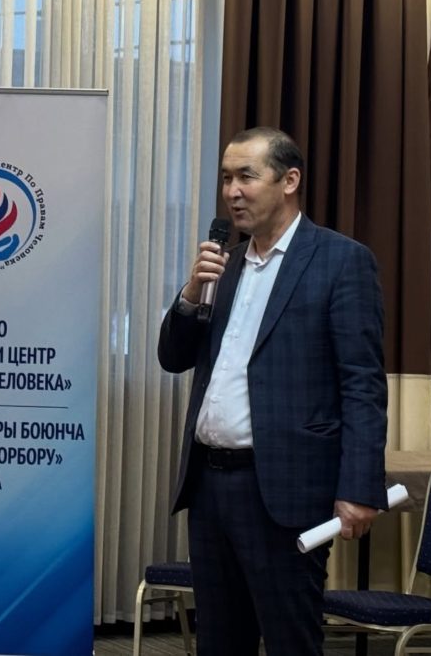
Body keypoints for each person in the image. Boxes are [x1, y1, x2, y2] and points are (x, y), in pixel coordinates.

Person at [157, 127, 388, 655]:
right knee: (219, 641)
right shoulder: (224, 265)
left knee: (289, 641)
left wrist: (359, 486)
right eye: (225, 178)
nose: (232, 192)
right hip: (210, 486)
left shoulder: (340, 261)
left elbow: (362, 384)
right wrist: (192, 292)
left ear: (289, 181)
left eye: (246, 176)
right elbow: (173, 357)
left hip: (285, 490)